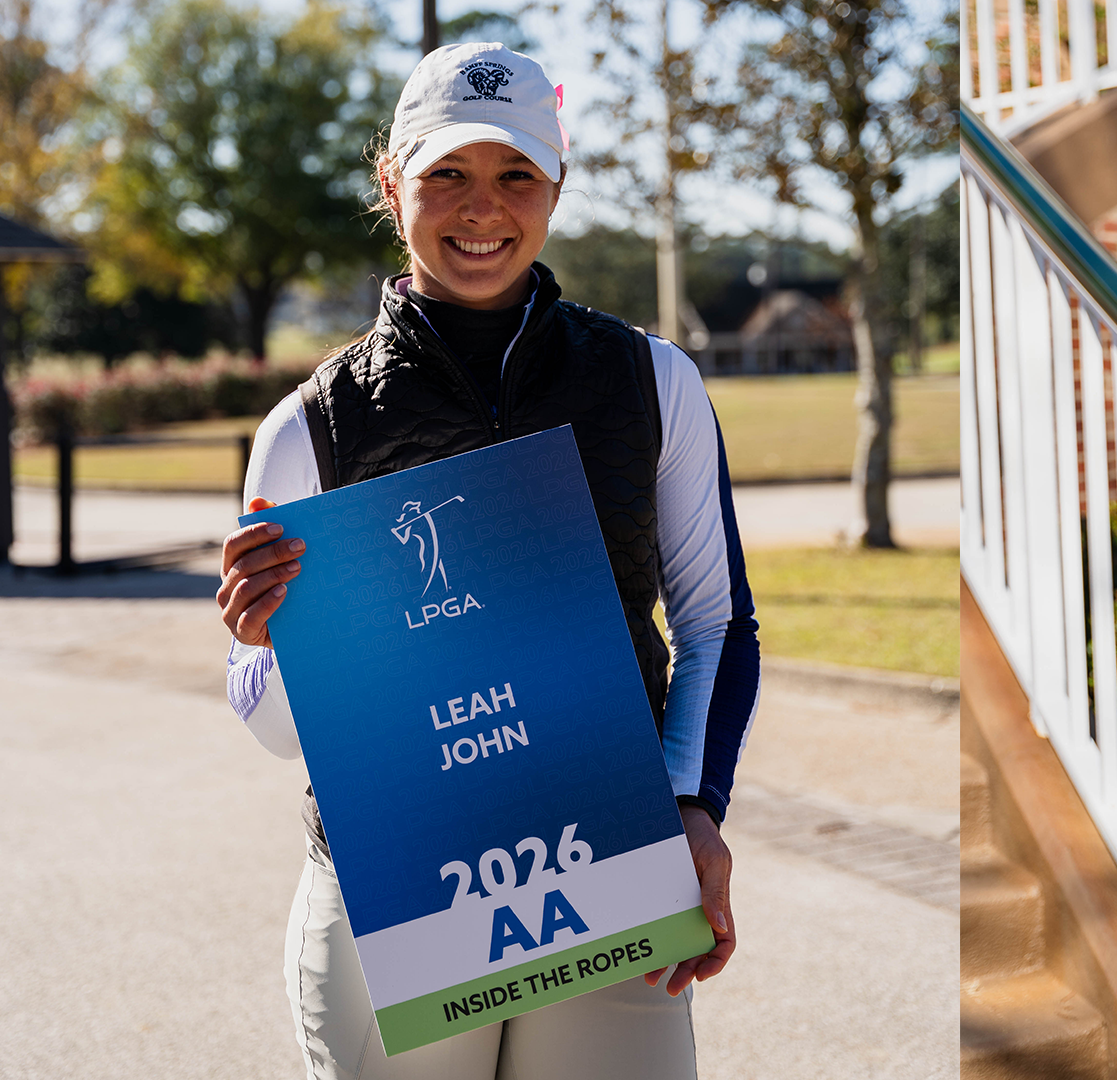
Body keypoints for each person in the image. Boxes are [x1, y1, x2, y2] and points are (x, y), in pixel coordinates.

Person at [215, 42, 759, 1080]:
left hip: (611, 864)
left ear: (556, 184)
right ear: (392, 184)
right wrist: (269, 644)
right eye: (448, 174)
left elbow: (715, 623)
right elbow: (279, 731)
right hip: (395, 895)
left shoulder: (652, 381)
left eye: (516, 174)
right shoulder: (308, 429)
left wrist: (695, 804)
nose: (482, 208)